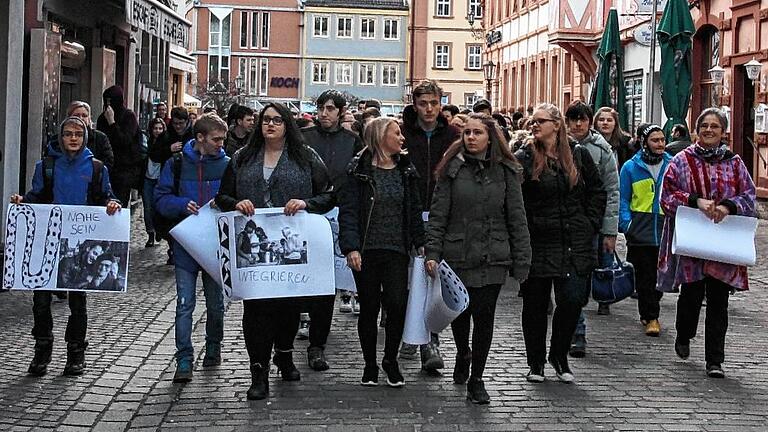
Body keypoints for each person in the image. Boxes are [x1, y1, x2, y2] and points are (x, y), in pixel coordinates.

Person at [215, 102, 334, 400]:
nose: (270, 125)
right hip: (253, 250)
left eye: (277, 120)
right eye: (265, 120)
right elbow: (223, 196)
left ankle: (284, 354)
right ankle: (258, 371)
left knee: (287, 309)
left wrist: (306, 204)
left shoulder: (305, 157)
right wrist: (236, 204)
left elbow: (328, 195)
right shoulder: (242, 158)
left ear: (287, 125)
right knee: (256, 311)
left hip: (292, 247)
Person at [426, 113, 531, 403]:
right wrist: (432, 252)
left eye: (477, 133)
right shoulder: (452, 169)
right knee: (461, 313)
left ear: (490, 138)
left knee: (484, 317)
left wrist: (522, 259)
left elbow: (517, 217)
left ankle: (478, 378)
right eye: (467, 132)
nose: (471, 137)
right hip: (458, 253)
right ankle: (463, 352)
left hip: (493, 254)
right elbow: (438, 215)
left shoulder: (506, 171)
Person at [12, 116, 121, 377]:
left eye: (78, 134)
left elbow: (106, 195)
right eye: (68, 134)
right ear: (60, 138)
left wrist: (112, 204)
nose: (73, 138)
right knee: (40, 301)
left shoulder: (96, 169)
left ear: (85, 138)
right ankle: (42, 347)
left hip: (80, 242)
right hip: (48, 241)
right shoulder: (47, 166)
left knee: (78, 302)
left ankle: (75, 352)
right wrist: (22, 201)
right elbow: (36, 196)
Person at [657, 108, 757, 379]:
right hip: (692, 242)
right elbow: (666, 197)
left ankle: (715, 359)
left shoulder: (735, 163)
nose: (709, 130)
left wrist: (728, 206)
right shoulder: (681, 160)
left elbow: (749, 196)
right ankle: (684, 334)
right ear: (696, 130)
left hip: (723, 243)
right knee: (690, 296)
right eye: (705, 126)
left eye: (715, 126)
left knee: (718, 302)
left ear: (723, 132)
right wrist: (694, 201)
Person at [515, 103, 606, 384]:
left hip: (573, 240)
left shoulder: (578, 155)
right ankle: (535, 362)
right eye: (533, 122)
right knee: (535, 305)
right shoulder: (525, 157)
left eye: (540, 121)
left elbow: (597, 191)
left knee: (572, 300)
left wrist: (590, 222)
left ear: (556, 124)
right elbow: (515, 197)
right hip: (538, 241)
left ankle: (559, 354)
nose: (535, 125)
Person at [338, 117, 425, 388]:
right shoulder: (358, 170)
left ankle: (390, 360)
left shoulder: (406, 170)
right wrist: (351, 247)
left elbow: (413, 209)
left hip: (396, 248)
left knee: (397, 305)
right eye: (396, 133)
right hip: (366, 249)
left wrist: (419, 241)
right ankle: (370, 364)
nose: (401, 138)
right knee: (369, 308)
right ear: (379, 137)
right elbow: (349, 211)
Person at [155, 112, 231, 384]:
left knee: (216, 304)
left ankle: (213, 347)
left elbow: (235, 199)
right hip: (186, 244)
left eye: (223, 139)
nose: (221, 144)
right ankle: (184, 358)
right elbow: (160, 200)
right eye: (216, 140)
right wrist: (179, 205)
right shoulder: (176, 164)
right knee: (185, 303)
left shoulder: (227, 165)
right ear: (200, 138)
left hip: (214, 245)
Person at [300, 89, 365, 369]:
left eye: (329, 108)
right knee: (302, 280)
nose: (324, 113)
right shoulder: (305, 138)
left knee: (327, 284)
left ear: (341, 111)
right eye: (320, 108)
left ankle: (318, 344)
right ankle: (298, 326)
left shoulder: (352, 141)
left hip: (340, 213)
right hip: (307, 213)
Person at [399, 79, 460, 372]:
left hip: (439, 213)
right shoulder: (400, 133)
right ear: (415, 105)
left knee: (430, 277)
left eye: (434, 103)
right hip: (405, 212)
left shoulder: (452, 134)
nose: (429, 109)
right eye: (423, 103)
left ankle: (429, 341)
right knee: (404, 281)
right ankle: (407, 332)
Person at [564, 100, 619, 357]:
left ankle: (577, 329)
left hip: (588, 225)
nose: (578, 124)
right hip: (561, 224)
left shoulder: (602, 150)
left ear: (589, 122)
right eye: (573, 119)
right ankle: (572, 332)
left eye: (582, 119)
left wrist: (609, 231)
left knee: (580, 278)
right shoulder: (557, 145)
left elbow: (611, 191)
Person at [618, 124, 671, 336]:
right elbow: (623, 198)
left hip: (664, 227)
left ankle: (650, 308)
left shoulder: (672, 164)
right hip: (639, 229)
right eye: (655, 140)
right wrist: (626, 224)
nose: (660, 145)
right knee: (645, 275)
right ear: (644, 142)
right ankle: (651, 317)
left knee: (661, 276)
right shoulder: (631, 167)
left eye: (662, 140)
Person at [96, 85, 145, 208]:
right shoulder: (102, 119)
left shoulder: (129, 116)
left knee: (119, 204)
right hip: (107, 167)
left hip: (124, 170)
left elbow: (125, 141)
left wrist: (112, 123)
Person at [49, 101, 115, 172]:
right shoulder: (58, 138)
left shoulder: (100, 138)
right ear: (69, 117)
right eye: (77, 115)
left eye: (84, 115)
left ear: (89, 118)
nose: (81, 118)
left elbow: (108, 163)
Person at [143, 118, 166, 247]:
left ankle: (159, 229)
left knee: (158, 207)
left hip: (160, 178)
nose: (157, 131)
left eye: (160, 128)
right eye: (155, 128)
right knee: (147, 207)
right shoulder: (146, 142)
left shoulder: (166, 143)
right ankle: (150, 233)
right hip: (147, 177)